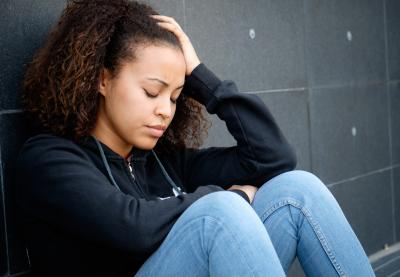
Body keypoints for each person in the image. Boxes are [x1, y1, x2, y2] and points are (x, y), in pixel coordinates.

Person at [16, 0, 375, 276]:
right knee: (218, 213)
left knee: (298, 190)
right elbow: (132, 227)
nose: (165, 111)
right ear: (103, 80)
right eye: (152, 92)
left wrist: (201, 77)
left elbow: (273, 157)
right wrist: (231, 197)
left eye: (174, 97)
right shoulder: (50, 159)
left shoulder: (164, 163)